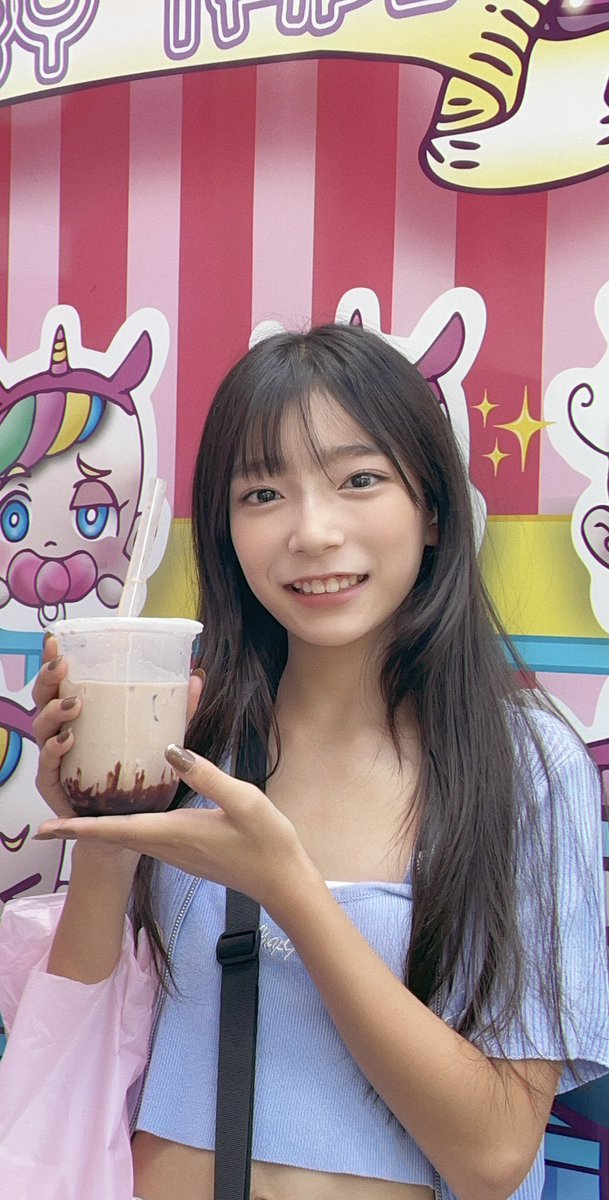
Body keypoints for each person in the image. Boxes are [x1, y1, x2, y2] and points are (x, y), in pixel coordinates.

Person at [1, 323, 608, 1200]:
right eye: (262, 494)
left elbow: (491, 1157)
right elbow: (79, 1054)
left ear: (432, 509)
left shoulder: (523, 767)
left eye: (358, 480)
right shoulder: (187, 733)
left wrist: (287, 888)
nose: (312, 533)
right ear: (225, 529)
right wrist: (105, 831)